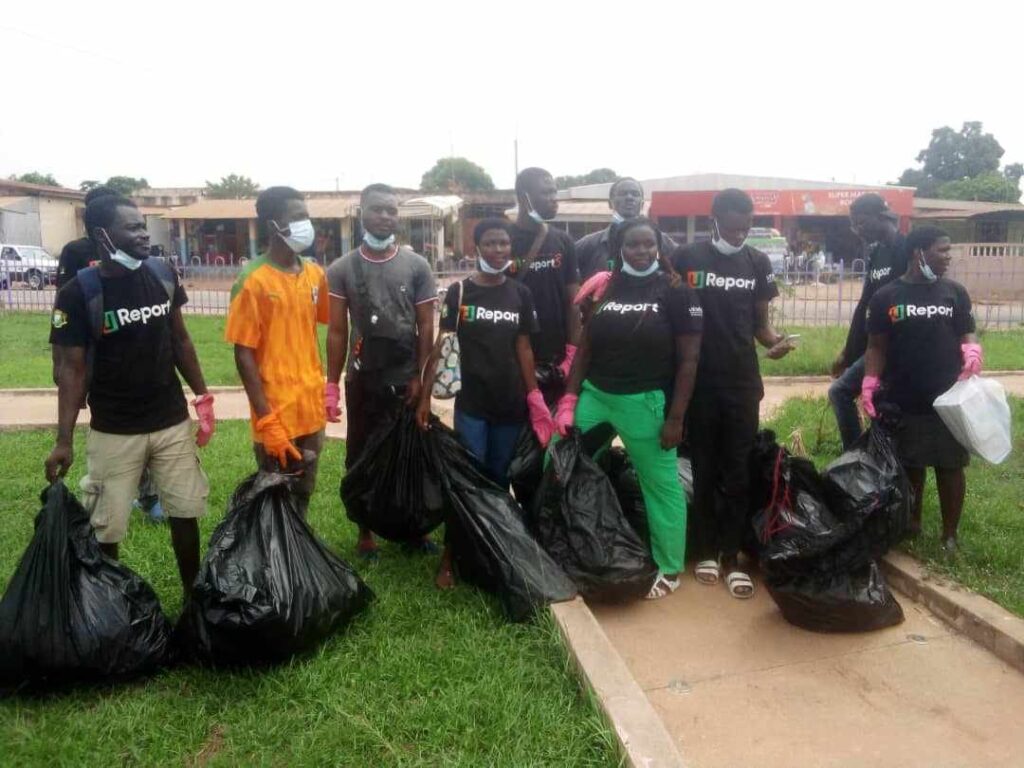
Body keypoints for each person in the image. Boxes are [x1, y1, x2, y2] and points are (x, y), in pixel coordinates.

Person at [45, 194, 215, 599]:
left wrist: (203, 396)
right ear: (103, 235)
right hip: (114, 430)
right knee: (107, 526)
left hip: (171, 421)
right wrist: (64, 440)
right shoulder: (77, 293)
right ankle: (112, 606)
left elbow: (180, 340)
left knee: (185, 513)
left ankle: (192, 598)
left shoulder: (162, 273)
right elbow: (70, 370)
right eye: (133, 227)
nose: (144, 234)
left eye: (143, 226)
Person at [553, 217, 701, 599]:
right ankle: (561, 543)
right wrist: (569, 400)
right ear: (620, 248)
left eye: (648, 244)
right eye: (633, 244)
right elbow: (586, 348)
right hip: (596, 396)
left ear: (658, 246)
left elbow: (689, 361)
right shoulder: (608, 286)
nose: (641, 251)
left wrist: (676, 418)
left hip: (645, 404)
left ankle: (669, 568)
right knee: (557, 462)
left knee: (661, 487)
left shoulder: (676, 292)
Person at [671, 189, 795, 599]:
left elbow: (761, 325)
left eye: (747, 227)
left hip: (742, 382)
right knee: (704, 468)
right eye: (734, 227)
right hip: (698, 382)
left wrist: (775, 343)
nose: (740, 234)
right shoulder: (686, 258)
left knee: (737, 470)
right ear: (715, 219)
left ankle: (732, 555)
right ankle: (706, 551)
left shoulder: (756, 262)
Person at [417, 218, 554, 588]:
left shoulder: (520, 294)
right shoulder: (460, 292)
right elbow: (442, 346)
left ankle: (491, 553)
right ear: (476, 248)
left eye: (504, 243)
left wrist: (535, 399)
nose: (498, 250)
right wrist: (424, 398)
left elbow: (524, 348)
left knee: (498, 479)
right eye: (491, 243)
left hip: (510, 406)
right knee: (468, 479)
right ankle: (450, 557)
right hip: (472, 405)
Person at [326, 183, 438, 557]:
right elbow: (337, 331)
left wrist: (420, 377)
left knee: (410, 452)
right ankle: (365, 532)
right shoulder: (342, 268)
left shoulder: (417, 266)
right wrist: (332, 384)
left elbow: (426, 326)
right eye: (378, 209)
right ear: (362, 212)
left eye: (392, 210)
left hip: (405, 375)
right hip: (363, 377)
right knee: (361, 453)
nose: (386, 216)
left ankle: (413, 529)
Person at [863, 226, 979, 554]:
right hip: (904, 395)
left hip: (948, 396)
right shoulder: (886, 296)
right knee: (911, 463)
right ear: (919, 253)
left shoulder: (954, 292)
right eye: (942, 250)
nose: (948, 257)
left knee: (950, 465)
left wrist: (972, 349)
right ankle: (912, 522)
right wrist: (869, 382)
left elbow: (966, 331)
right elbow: (876, 346)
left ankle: (950, 535)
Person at [224, 186, 330, 517]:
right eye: (298, 217)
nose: (306, 225)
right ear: (274, 225)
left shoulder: (315, 274)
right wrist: (267, 420)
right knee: (275, 496)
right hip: (275, 410)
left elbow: (317, 328)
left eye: (307, 217)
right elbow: (243, 354)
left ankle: (299, 546)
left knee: (304, 490)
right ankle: (274, 550)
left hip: (310, 406)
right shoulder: (252, 280)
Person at [829, 193, 907, 449]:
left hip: (896, 346)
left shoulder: (904, 250)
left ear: (881, 217)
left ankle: (862, 455)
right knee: (842, 393)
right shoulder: (877, 253)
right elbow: (865, 304)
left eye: (861, 222)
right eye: (854, 225)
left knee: (846, 394)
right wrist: (848, 351)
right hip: (875, 344)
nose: (858, 230)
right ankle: (858, 455)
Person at [508, 167, 581, 403]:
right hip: (514, 354)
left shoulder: (563, 241)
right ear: (524, 197)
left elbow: (573, 303)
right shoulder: (502, 241)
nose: (554, 199)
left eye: (554, 192)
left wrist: (572, 354)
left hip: (555, 358)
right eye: (546, 193)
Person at [575, 177, 678, 282]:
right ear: (610, 203)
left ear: (642, 204)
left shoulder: (663, 241)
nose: (629, 197)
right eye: (623, 193)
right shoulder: (589, 245)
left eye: (635, 194)